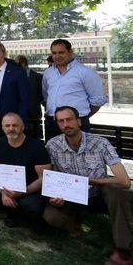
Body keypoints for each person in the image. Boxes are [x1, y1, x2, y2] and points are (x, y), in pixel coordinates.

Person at [44, 106, 131, 265]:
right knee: (51, 216)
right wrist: (55, 195)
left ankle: (123, 250)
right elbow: (53, 177)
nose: (66, 124)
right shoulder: (52, 145)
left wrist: (91, 181)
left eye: (69, 119)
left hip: (97, 195)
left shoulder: (100, 143)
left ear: (78, 121)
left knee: (117, 192)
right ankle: (73, 219)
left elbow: (124, 181)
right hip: (71, 196)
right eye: (61, 121)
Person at [0, 113, 51, 228]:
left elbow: (43, 178)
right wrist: (3, 193)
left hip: (30, 189)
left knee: (31, 206)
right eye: (7, 126)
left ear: (22, 127)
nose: (11, 129)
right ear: (2, 128)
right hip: (5, 188)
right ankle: (12, 212)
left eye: (15, 125)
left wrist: (23, 191)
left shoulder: (37, 147)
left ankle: (21, 214)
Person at [42, 39, 107, 141]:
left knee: (79, 154)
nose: (57, 56)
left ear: (70, 52)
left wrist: (80, 117)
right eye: (54, 53)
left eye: (61, 52)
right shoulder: (48, 73)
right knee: (52, 154)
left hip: (77, 123)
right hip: (52, 123)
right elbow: (46, 95)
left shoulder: (85, 72)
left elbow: (97, 100)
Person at [15, 55, 44, 140]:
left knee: (35, 137)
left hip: (34, 113)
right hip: (19, 113)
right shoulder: (15, 77)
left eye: (18, 64)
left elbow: (41, 94)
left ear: (24, 63)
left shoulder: (37, 77)